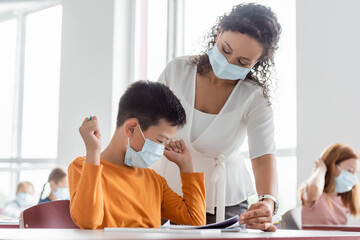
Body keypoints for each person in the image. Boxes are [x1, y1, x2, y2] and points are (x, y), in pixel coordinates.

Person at [153, 3, 281, 231]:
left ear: (257, 62)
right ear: (219, 31)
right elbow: (145, 121)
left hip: (222, 202)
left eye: (243, 62)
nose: (229, 63)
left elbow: (262, 157)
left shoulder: (254, 97)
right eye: (226, 50)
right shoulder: (178, 70)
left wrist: (268, 201)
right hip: (165, 190)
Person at [68, 81, 206, 229]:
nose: (161, 149)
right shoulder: (82, 167)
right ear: (132, 128)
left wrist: (186, 165)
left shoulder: (154, 181)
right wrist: (93, 152)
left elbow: (195, 220)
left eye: (166, 142)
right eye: (160, 140)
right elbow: (88, 222)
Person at [300, 143, 360, 225]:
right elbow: (315, 189)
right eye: (350, 170)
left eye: (355, 172)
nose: (353, 178)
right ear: (332, 166)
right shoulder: (316, 195)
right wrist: (321, 168)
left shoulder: (346, 200)